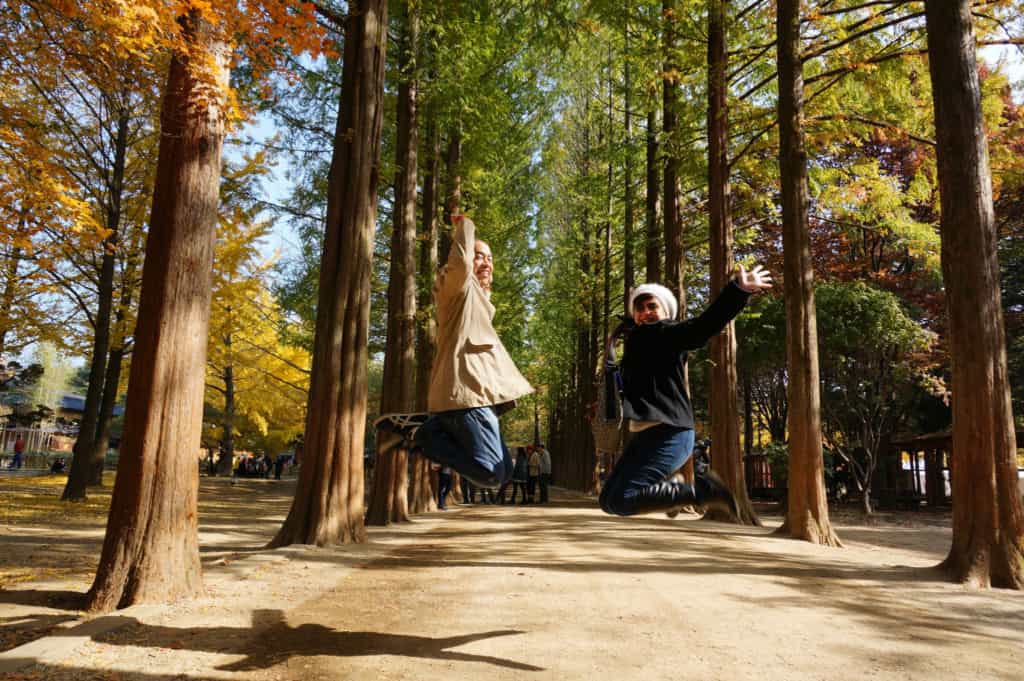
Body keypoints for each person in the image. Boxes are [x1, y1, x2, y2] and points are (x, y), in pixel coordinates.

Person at [598, 265, 772, 518]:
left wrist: (737, 291)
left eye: (652, 307)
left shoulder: (666, 333)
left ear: (665, 312)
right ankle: (676, 489)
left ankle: (701, 491)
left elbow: (702, 327)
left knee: (624, 499)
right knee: (609, 501)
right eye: (640, 308)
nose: (645, 312)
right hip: (646, 435)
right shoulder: (639, 341)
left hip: (670, 434)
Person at [377, 215, 533, 488]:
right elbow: (459, 263)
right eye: (479, 256)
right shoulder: (457, 290)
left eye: (490, 258)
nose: (487, 263)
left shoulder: (480, 302)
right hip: (465, 395)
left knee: (505, 472)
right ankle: (426, 434)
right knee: (492, 473)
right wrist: (466, 226)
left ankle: (432, 429)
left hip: (480, 397)